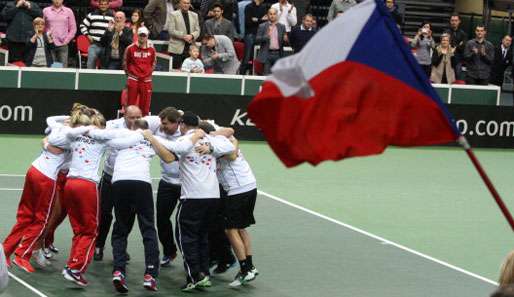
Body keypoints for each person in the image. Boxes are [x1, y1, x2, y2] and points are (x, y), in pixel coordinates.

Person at [107, 120, 195, 293]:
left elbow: (104, 137)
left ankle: (118, 271)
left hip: (119, 183)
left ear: (131, 128)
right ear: (147, 129)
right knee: (148, 228)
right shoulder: (152, 138)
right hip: (141, 184)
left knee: (120, 228)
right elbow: (170, 157)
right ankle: (150, 274)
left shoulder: (121, 135)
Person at [173, 111, 235, 291]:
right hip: (212, 197)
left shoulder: (184, 140)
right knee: (202, 237)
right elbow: (230, 146)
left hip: (192, 197)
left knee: (186, 237)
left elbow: (177, 150)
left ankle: (194, 276)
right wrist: (211, 146)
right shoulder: (211, 140)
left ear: (183, 124)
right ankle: (204, 274)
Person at [94, 105, 141, 261]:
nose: (135, 120)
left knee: (126, 217)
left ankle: (119, 248)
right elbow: (97, 132)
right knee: (103, 214)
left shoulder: (145, 126)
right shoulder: (112, 125)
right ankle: (98, 245)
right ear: (124, 116)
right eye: (131, 117)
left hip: (129, 181)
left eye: (138, 117)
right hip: (109, 177)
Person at [123, 26, 156, 116]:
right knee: (130, 104)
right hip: (133, 79)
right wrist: (130, 75)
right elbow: (125, 62)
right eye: (141, 35)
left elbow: (154, 63)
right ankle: (128, 123)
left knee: (145, 107)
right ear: (137, 36)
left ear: (147, 36)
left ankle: (143, 123)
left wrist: (148, 73)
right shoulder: (130, 48)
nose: (142, 37)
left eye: (144, 35)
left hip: (146, 81)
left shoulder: (152, 49)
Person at [79, 0, 114, 69]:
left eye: (105, 4)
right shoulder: (92, 14)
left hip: (107, 46)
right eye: (101, 4)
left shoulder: (113, 16)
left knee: (104, 68)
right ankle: (89, 79)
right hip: (94, 45)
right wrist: (87, 35)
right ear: (98, 5)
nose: (103, 6)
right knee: (90, 66)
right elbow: (82, 26)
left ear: (108, 5)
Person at [167, 0, 200, 69]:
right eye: (184, 3)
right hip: (176, 48)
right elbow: (171, 30)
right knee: (174, 71)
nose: (186, 5)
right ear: (180, 4)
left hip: (190, 48)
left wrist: (192, 36)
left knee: (191, 71)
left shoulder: (194, 15)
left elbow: (198, 30)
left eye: (188, 3)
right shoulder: (173, 14)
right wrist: (184, 36)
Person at [42, 0, 76, 67]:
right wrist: (46, 38)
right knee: (51, 67)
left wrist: (67, 40)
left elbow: (73, 28)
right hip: (50, 44)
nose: (57, 1)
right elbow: (42, 26)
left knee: (63, 68)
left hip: (63, 44)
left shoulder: (68, 11)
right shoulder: (45, 10)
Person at [255, 8, 286, 75]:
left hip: (278, 54)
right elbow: (257, 39)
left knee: (277, 77)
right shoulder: (262, 26)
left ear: (277, 15)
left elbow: (283, 42)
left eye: (274, 14)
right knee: (266, 76)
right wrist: (266, 37)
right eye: (270, 14)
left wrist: (286, 40)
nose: (272, 16)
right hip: (267, 54)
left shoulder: (282, 27)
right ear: (268, 15)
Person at [239, 0, 266, 74]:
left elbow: (265, 21)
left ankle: (254, 74)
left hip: (260, 34)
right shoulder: (248, 7)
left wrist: (256, 20)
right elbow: (248, 22)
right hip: (250, 34)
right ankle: (241, 75)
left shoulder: (263, 7)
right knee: (247, 57)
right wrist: (260, 20)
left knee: (259, 57)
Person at [444, 13, 467, 80]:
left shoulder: (463, 34)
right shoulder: (446, 32)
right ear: (450, 21)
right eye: (452, 20)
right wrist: (458, 44)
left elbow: (463, 47)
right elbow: (445, 45)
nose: (454, 22)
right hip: (447, 60)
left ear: (459, 21)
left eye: (456, 20)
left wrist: (453, 45)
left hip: (458, 61)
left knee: (457, 80)